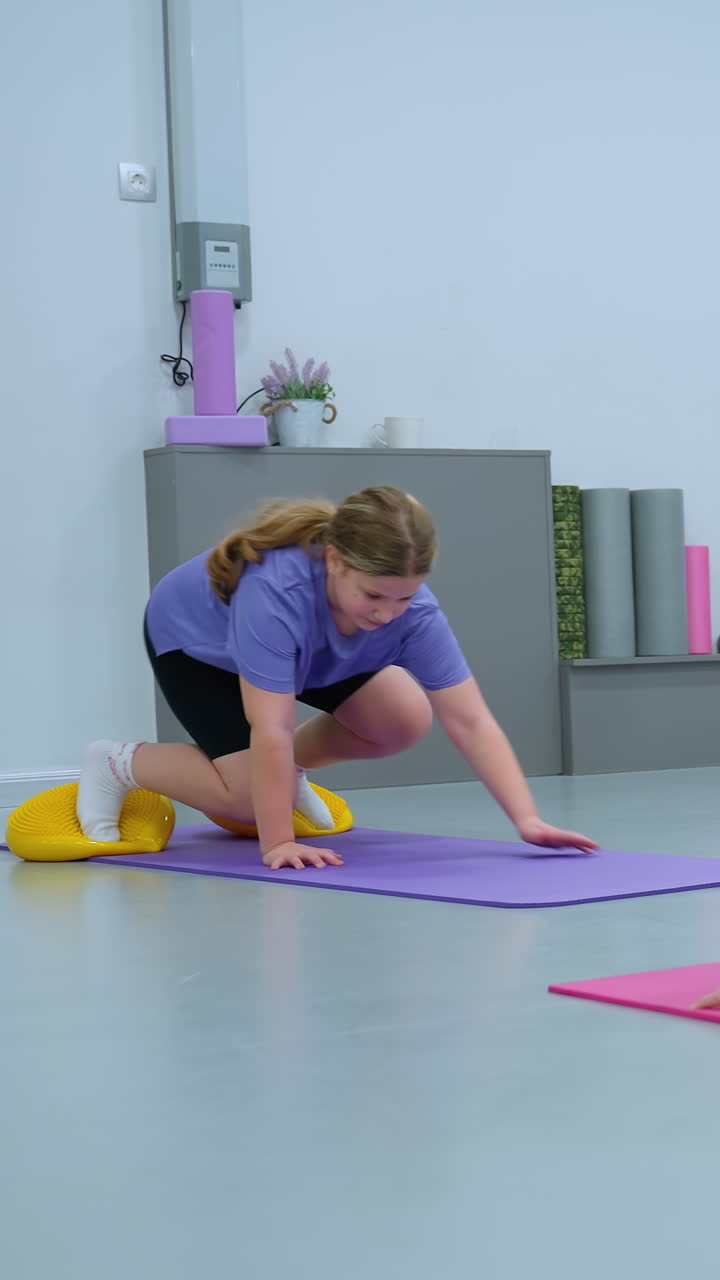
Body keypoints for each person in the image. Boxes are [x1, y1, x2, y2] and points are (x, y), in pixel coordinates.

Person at [77, 485, 598, 870]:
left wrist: (527, 820)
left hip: (316, 646)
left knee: (404, 718)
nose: (389, 613)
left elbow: (471, 721)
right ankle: (118, 762)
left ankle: (285, 777)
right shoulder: (274, 596)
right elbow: (273, 729)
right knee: (248, 803)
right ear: (333, 560)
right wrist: (278, 840)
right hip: (199, 646)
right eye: (374, 595)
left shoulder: (410, 613)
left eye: (405, 596)